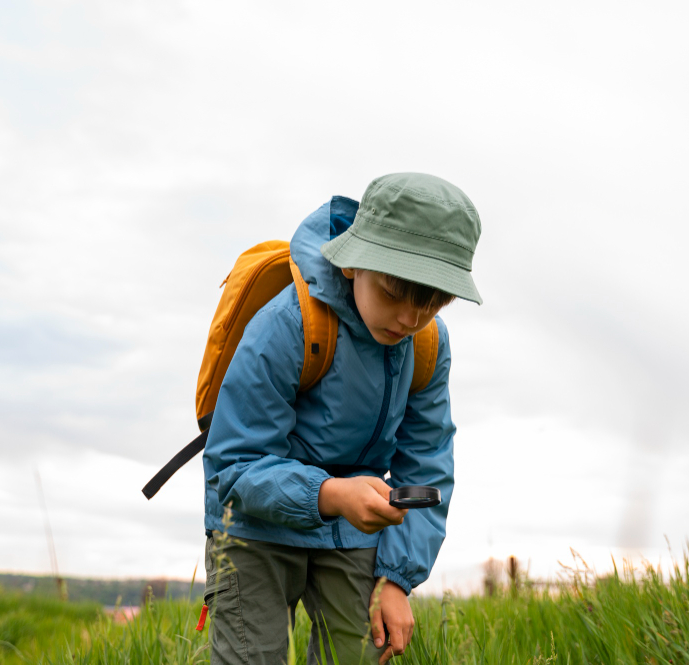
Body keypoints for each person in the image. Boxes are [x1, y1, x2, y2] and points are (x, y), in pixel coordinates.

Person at [202, 172, 482, 664]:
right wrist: (330, 494)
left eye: (433, 302)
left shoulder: (427, 346)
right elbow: (234, 465)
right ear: (353, 264)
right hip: (254, 528)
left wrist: (397, 579)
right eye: (394, 293)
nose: (410, 320)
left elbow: (427, 463)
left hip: (354, 530)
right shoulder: (286, 325)